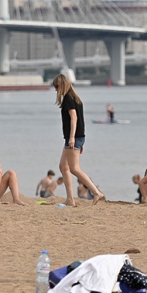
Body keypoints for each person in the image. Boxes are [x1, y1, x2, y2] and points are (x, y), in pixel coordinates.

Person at [51, 74, 105, 207]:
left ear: (62, 85)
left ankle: (96, 192)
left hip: (73, 138)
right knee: (63, 166)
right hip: (77, 137)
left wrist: (72, 138)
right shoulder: (76, 98)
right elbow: (82, 119)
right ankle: (70, 199)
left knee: (74, 169)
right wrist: (79, 139)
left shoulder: (69, 99)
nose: (55, 90)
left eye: (57, 87)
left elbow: (74, 118)